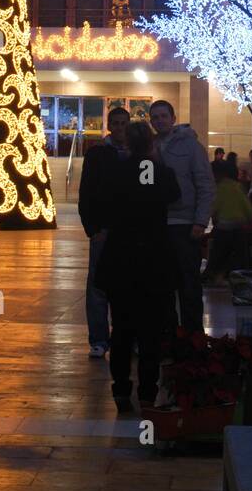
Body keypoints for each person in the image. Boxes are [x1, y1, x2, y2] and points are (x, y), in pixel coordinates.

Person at [93, 120, 179, 412]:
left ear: (127, 143)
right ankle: (146, 391)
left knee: (122, 329)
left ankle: (120, 390)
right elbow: (173, 195)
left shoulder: (117, 172)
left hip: (121, 258)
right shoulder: (160, 172)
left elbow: (105, 202)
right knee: (150, 332)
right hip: (153, 259)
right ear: (152, 143)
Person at [149, 99, 215, 332]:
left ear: (173, 118)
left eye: (163, 116)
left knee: (189, 285)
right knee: (164, 285)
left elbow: (205, 184)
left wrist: (200, 220)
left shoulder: (191, 146)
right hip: (159, 225)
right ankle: (169, 336)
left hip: (185, 224)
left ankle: (192, 338)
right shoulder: (151, 146)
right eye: (155, 117)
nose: (159, 121)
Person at [77, 105, 131, 358]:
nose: (120, 128)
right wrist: (92, 228)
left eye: (124, 123)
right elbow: (86, 192)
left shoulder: (139, 155)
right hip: (104, 230)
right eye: (116, 123)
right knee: (98, 285)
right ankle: (99, 338)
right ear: (110, 126)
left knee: (129, 285)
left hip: (130, 230)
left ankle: (126, 336)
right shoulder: (97, 155)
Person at [203, 164, 252, 284]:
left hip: (223, 226)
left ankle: (212, 274)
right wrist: (248, 219)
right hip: (239, 227)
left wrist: (210, 218)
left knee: (218, 252)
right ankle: (241, 277)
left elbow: (214, 207)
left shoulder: (218, 188)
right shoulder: (238, 187)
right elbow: (248, 208)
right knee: (240, 254)